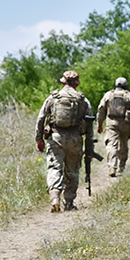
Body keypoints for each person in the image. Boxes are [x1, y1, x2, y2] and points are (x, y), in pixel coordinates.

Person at [35, 70, 95, 212]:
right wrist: (89, 147)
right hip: (75, 139)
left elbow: (41, 119)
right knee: (72, 171)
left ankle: (55, 197)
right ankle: (69, 202)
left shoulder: (53, 97)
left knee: (55, 167)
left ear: (63, 82)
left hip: (55, 137)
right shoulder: (82, 100)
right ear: (77, 83)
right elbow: (90, 124)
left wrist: (39, 139)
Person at [97, 77, 130, 177]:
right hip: (126, 123)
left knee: (112, 144)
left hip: (111, 123)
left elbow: (101, 109)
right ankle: (121, 167)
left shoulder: (109, 95)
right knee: (123, 144)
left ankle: (112, 166)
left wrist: (99, 124)